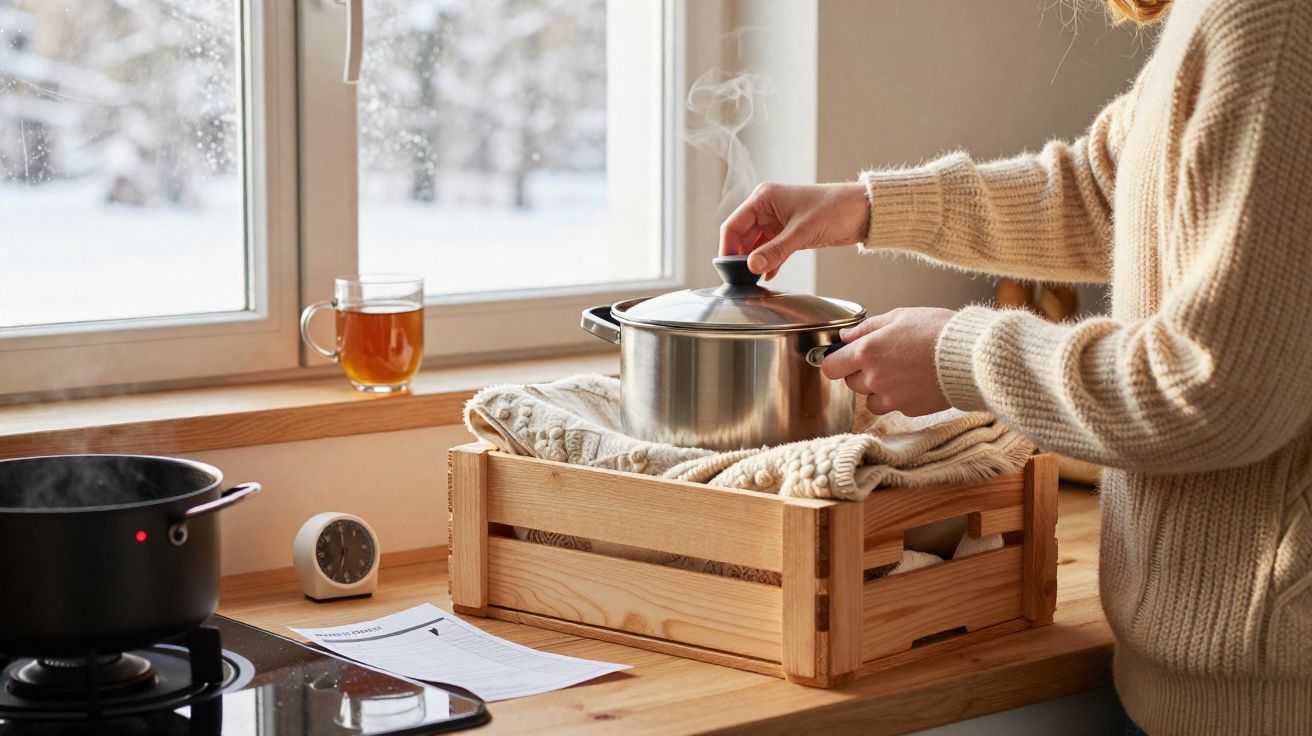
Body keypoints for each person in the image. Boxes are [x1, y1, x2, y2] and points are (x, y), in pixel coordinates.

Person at [719, 0, 1312, 733]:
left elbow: (1217, 388)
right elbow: (1109, 190)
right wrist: (866, 207)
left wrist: (959, 354)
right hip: (1195, 688)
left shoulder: (1276, 21)